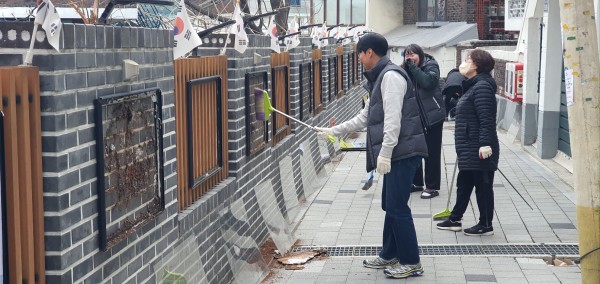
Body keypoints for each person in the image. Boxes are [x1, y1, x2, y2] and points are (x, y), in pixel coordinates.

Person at [315, 33, 427, 279]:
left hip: (402, 151)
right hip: (397, 151)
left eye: (359, 53)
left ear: (369, 53)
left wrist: (385, 154)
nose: (358, 58)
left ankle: (411, 261)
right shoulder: (381, 77)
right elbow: (366, 117)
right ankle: (389, 254)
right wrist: (333, 130)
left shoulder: (390, 77)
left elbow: (393, 121)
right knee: (391, 205)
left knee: (398, 208)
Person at [436, 49, 500, 236]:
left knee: (483, 187)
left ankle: (486, 224)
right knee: (464, 183)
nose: (464, 63)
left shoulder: (482, 87)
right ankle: (455, 219)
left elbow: (486, 119)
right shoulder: (473, 85)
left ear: (476, 65)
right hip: (469, 147)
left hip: (479, 147)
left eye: (468, 60)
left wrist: (485, 144)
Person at [402, 44, 445, 199]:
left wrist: (413, 67)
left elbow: (428, 83)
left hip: (432, 116)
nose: (409, 58)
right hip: (415, 117)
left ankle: (432, 186)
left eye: (412, 54)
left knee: (431, 152)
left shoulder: (431, 65)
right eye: (407, 55)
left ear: (420, 54)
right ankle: (417, 182)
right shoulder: (406, 69)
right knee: (416, 150)